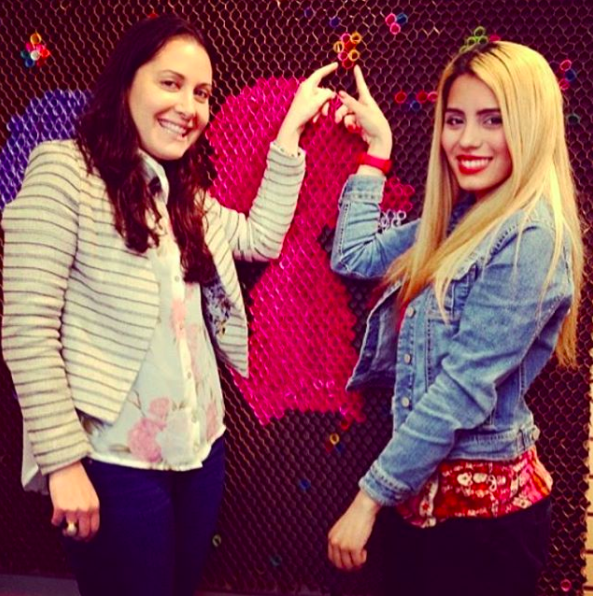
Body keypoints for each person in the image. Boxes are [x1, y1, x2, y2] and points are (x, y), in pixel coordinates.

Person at [2, 14, 337, 596]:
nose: (189, 107)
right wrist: (63, 464)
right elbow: (27, 329)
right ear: (126, 83)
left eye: (202, 93)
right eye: (170, 83)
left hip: (201, 450)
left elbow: (260, 237)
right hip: (112, 460)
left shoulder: (184, 196)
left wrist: (290, 133)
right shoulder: (64, 172)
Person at [327, 41, 583, 596]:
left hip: (483, 530)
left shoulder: (531, 236)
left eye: (493, 120)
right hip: (425, 506)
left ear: (531, 125)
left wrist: (368, 499)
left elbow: (462, 390)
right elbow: (353, 256)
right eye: (455, 119)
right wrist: (377, 152)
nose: (466, 140)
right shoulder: (461, 219)